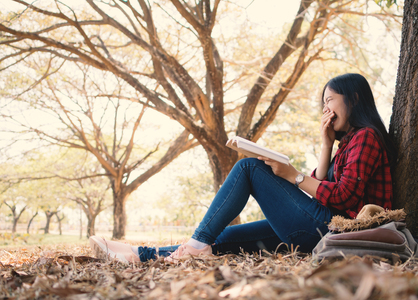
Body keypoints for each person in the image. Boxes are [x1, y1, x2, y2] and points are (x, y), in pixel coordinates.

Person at [89, 73, 395, 263]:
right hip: (321, 227)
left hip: (334, 231)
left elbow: (341, 197)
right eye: (323, 103)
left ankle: (190, 246)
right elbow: (322, 190)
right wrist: (326, 143)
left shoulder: (367, 137)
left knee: (249, 167)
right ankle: (139, 255)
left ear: (354, 99)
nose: (325, 109)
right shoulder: (347, 143)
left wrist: (292, 175)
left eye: (331, 100)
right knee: (222, 238)